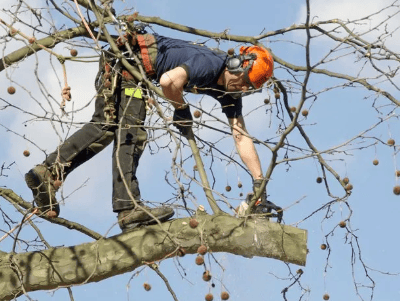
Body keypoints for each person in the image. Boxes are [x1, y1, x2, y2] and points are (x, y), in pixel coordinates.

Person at [25, 28, 276, 231]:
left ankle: (47, 173)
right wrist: (180, 109)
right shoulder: (209, 63)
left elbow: (240, 135)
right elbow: (168, 81)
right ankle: (127, 208)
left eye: (249, 88)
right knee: (130, 132)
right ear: (236, 65)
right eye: (244, 82)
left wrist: (259, 182)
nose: (242, 89)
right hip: (128, 66)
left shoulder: (230, 93)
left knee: (108, 126)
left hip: (129, 70)